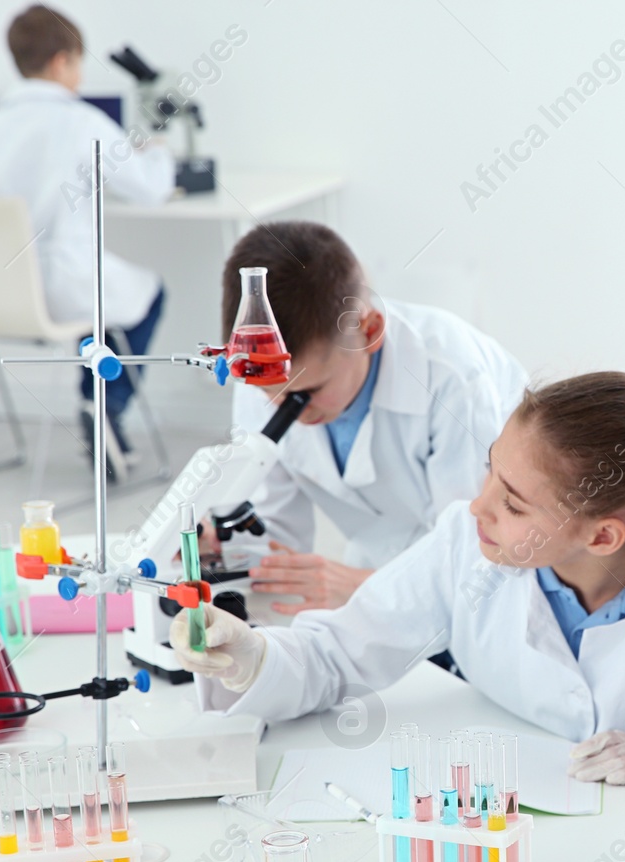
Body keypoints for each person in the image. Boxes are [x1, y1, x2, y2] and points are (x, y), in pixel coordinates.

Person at [173, 372, 625, 844]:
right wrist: (252, 656)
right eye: (492, 472)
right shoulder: (465, 549)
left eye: (514, 505)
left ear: (602, 536)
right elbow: (339, 653)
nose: (477, 508)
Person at [218, 221, 525, 619]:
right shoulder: (267, 377)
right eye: (265, 393)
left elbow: (472, 557)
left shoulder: (454, 379)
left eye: (302, 395)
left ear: (369, 331)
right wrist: (224, 549)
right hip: (373, 568)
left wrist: (364, 586)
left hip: (491, 599)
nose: (279, 410)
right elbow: (275, 534)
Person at [0, 4, 174, 481]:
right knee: (145, 294)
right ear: (60, 62)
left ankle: (98, 409)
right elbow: (150, 191)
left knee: (101, 304)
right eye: (78, 62)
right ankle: (101, 407)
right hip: (63, 288)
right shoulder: (81, 122)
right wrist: (160, 151)